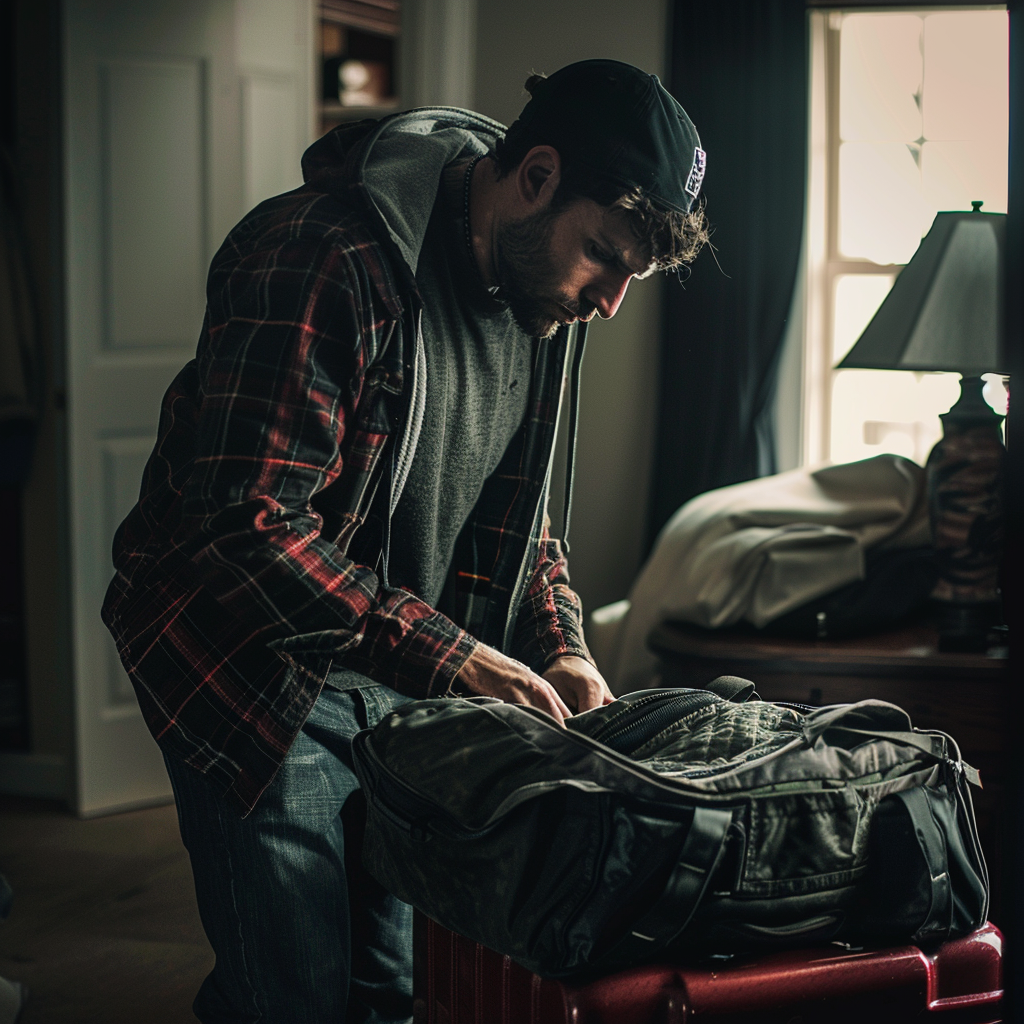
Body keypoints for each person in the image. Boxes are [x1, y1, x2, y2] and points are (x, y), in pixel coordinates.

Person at [102, 58, 708, 1024]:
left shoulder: (542, 298)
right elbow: (244, 527)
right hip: (255, 662)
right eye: (604, 256)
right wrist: (459, 658)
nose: (610, 302)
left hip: (396, 670)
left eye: (632, 276)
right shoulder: (320, 257)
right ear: (537, 175)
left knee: (384, 989)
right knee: (290, 994)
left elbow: (519, 519)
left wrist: (562, 643)